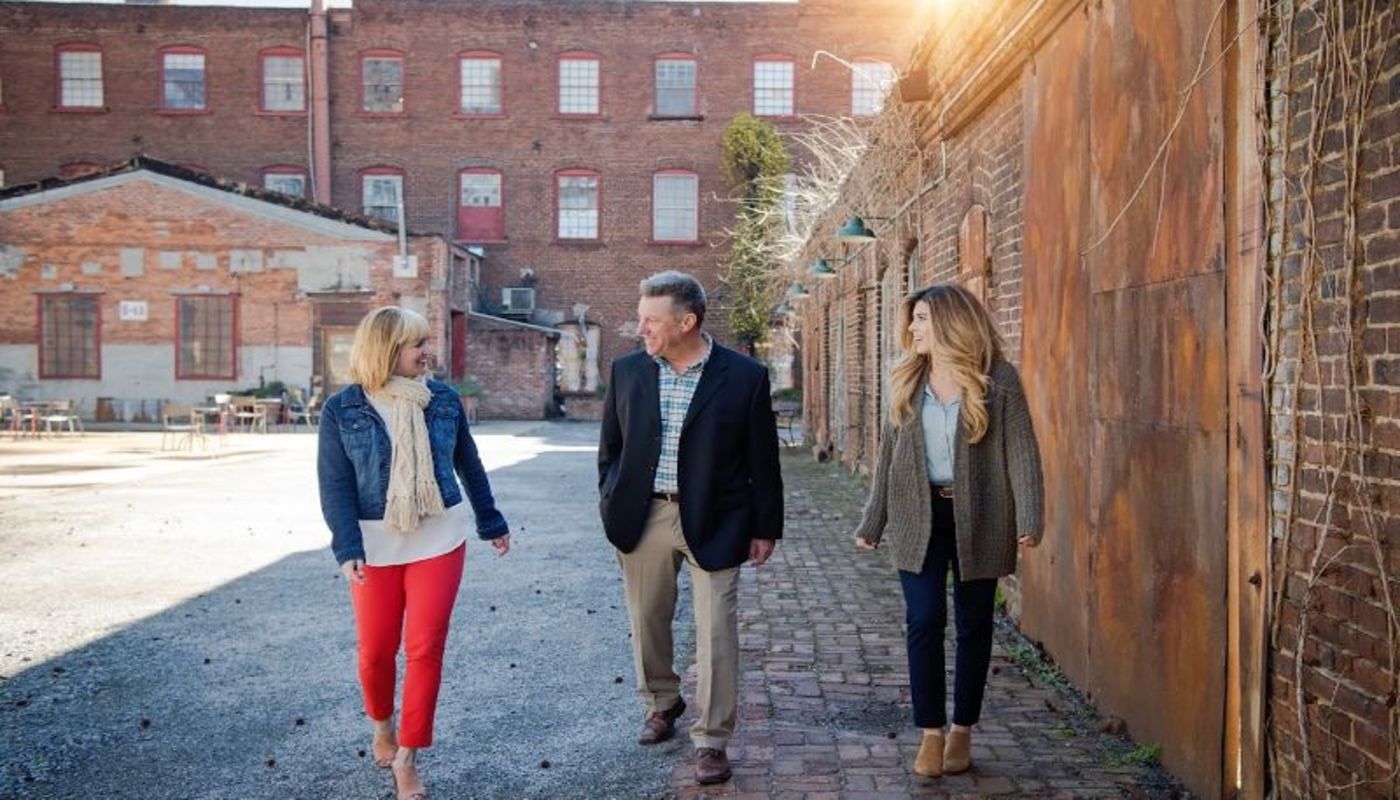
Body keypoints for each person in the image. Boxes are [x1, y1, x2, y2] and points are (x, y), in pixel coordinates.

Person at [598, 271, 784, 786]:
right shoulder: (628, 371)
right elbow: (610, 449)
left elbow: (763, 459)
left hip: (719, 518)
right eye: (641, 318)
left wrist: (766, 526)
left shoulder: (745, 376)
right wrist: (610, 500)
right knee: (647, 619)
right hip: (644, 516)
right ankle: (663, 702)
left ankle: (712, 740)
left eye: (651, 320)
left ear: (687, 322)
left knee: (717, 629)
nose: (641, 329)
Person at [318, 306, 511, 800]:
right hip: (374, 542)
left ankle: (408, 756)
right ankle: (382, 723)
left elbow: (469, 463)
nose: (428, 352)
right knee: (376, 651)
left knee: (424, 648)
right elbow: (335, 484)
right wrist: (346, 545)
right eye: (417, 344)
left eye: (426, 341)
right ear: (386, 349)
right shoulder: (343, 409)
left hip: (439, 537)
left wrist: (491, 520)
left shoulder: (442, 400)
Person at [852, 284, 1044, 778]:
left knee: (974, 623)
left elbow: (1021, 450)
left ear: (951, 324)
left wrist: (1030, 515)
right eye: (912, 319)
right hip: (917, 514)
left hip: (981, 515)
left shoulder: (998, 379)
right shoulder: (907, 378)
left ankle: (962, 728)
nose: (912, 328)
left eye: (921, 318)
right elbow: (888, 458)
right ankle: (931, 732)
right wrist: (874, 520)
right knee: (924, 619)